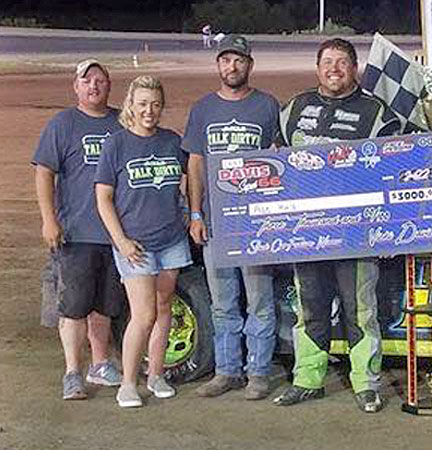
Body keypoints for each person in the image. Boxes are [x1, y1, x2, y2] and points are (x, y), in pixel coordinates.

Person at [272, 38, 401, 413]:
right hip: (305, 233)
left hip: (356, 234)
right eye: (327, 62)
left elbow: (392, 171)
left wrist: (387, 227)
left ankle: (366, 384)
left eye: (342, 62)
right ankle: (307, 379)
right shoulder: (294, 108)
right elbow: (276, 162)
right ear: (317, 68)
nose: (334, 69)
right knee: (309, 308)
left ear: (354, 68)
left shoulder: (376, 112)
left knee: (359, 310)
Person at [182, 34, 281, 400]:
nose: (232, 66)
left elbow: (280, 158)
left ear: (249, 65)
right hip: (216, 223)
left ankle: (258, 373)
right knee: (223, 302)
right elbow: (195, 164)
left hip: (256, 224)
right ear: (218, 65)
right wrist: (195, 212)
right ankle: (227, 371)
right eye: (226, 60)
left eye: (239, 60)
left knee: (259, 301)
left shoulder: (267, 106)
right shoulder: (203, 109)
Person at [95, 75, 191, 408]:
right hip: (135, 244)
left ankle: (157, 374)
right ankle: (128, 383)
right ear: (130, 106)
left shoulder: (171, 142)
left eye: (155, 104)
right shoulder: (117, 144)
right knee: (144, 314)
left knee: (165, 308)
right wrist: (120, 240)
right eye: (142, 104)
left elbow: (190, 177)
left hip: (171, 240)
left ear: (161, 106)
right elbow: (103, 198)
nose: (149, 110)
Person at [32, 59, 125, 400]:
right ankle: (72, 371)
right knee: (73, 306)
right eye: (87, 81)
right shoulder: (63, 124)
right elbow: (44, 172)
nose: (94, 86)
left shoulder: (121, 123)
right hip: (75, 231)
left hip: (115, 234)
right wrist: (49, 218)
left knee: (104, 305)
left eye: (100, 80)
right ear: (76, 87)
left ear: (109, 86)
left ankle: (100, 364)